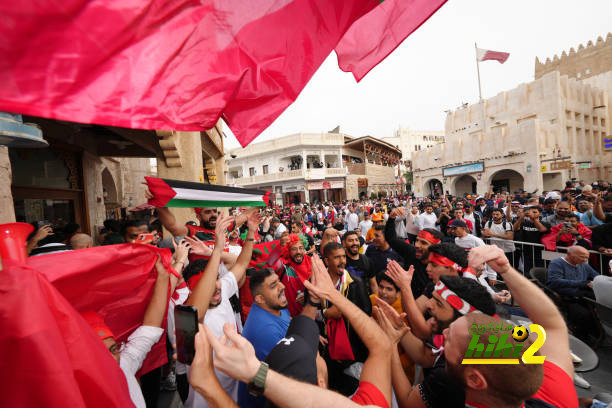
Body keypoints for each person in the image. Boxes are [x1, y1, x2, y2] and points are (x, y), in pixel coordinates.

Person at [442, 244, 578, 408]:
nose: (444, 332)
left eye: (449, 339)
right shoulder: (556, 393)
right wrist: (505, 269)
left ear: (474, 379)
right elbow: (551, 325)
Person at [183, 211, 256, 408]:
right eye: (207, 286)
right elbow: (194, 311)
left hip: (236, 393)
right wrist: (216, 250)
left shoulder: (222, 289)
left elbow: (241, 263)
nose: (216, 287)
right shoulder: (184, 316)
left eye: (217, 280)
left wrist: (251, 232)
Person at [81, 255, 174, 408]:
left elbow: (150, 328)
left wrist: (163, 276)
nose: (112, 360)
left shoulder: (123, 364)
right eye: (100, 354)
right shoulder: (73, 394)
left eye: (113, 349)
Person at [320, 242, 372, 396]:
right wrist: (326, 313)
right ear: (326, 261)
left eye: (343, 256)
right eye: (336, 257)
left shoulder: (356, 283)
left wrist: (346, 311)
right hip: (327, 349)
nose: (342, 260)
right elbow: (311, 311)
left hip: (352, 351)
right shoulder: (317, 282)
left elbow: (366, 314)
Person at [238, 268, 290, 408]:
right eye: (273, 285)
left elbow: (287, 320)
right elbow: (286, 379)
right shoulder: (265, 332)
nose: (282, 286)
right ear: (259, 299)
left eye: (279, 281)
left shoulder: (274, 304)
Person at [385, 207, 444, 298]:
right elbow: (391, 239)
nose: (417, 245)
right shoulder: (411, 251)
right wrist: (392, 218)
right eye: (417, 241)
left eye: (423, 243)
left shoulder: (442, 267)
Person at [547, 246, 598, 342]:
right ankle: (583, 338)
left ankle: (597, 334)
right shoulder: (557, 263)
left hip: (581, 295)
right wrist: (584, 283)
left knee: (598, 310)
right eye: (582, 257)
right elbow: (554, 282)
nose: (585, 260)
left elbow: (596, 276)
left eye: (587, 257)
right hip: (565, 297)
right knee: (584, 314)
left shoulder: (584, 264)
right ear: (569, 255)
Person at [513, 206, 549, 275]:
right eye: (530, 212)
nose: (532, 214)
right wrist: (521, 217)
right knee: (528, 272)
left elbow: (542, 230)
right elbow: (515, 228)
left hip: (541, 254)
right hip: (527, 253)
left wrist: (535, 219)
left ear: (540, 214)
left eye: (535, 212)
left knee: (540, 273)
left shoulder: (545, 223)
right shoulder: (524, 223)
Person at [342, 230, 377, 294]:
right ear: (344, 243)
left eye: (356, 240)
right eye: (351, 240)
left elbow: (373, 284)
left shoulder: (367, 261)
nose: (354, 243)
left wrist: (377, 301)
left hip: (363, 299)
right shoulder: (341, 261)